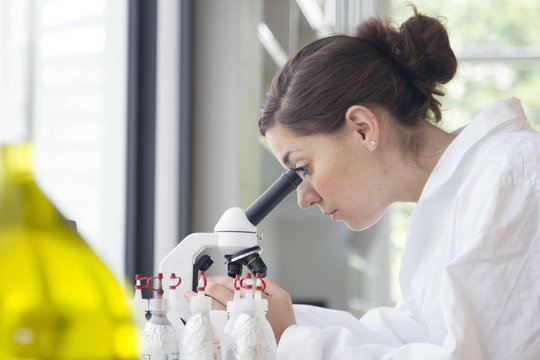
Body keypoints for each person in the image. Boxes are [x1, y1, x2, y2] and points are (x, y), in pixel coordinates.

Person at [186, 7, 540, 359]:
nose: (304, 199)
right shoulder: (448, 204)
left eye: (304, 167)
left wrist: (291, 339)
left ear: (363, 128)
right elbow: (405, 339)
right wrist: (267, 318)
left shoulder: (514, 177)